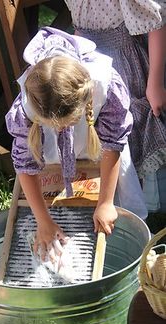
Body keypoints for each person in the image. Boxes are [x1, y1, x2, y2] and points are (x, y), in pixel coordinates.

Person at [6, 27, 147, 257]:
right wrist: (43, 221)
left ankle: (120, 249)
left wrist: (105, 202)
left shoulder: (105, 85)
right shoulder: (28, 105)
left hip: (99, 148)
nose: (61, 129)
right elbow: (25, 165)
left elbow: (112, 143)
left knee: (113, 208)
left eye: (66, 123)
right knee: (59, 212)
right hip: (52, 156)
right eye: (55, 125)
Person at [63, 0, 166, 212]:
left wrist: (155, 83)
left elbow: (157, 23)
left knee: (133, 123)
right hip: (92, 67)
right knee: (101, 129)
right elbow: (80, 30)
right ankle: (113, 197)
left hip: (126, 64)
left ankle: (145, 200)